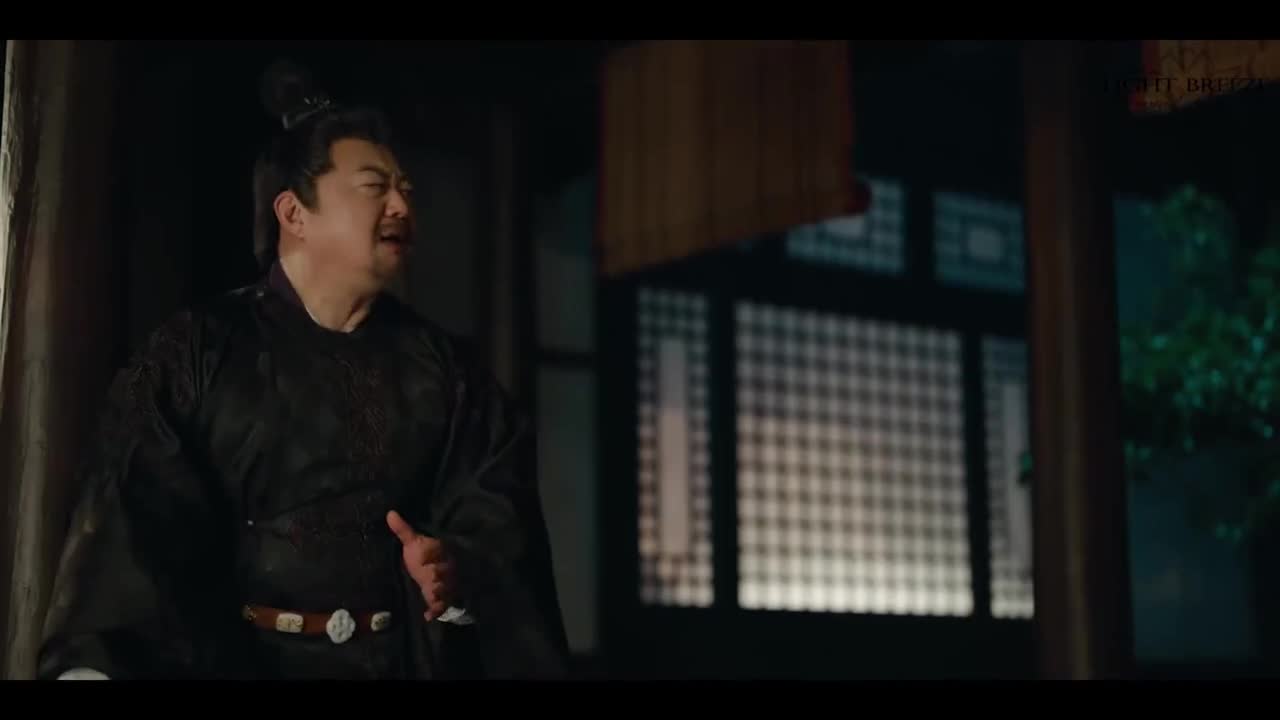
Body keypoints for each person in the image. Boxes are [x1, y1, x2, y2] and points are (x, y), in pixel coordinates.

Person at [35, 62, 570, 680]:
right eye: (374, 186)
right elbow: (129, 525)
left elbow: (499, 518)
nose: (401, 204)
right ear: (294, 214)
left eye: (405, 189)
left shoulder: (446, 369)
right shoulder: (197, 352)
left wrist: (458, 568)